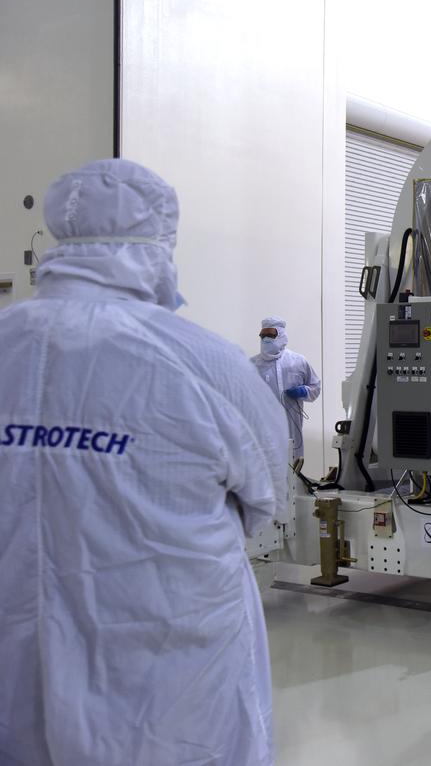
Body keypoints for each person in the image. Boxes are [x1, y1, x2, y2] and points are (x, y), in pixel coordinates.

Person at [0, 159, 290, 764]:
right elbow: (267, 494)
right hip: (170, 667)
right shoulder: (204, 361)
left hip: (17, 658)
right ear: (158, 247)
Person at [251, 316, 320, 463]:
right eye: (263, 335)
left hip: (292, 428)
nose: (265, 339)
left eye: (270, 335)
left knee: (292, 469)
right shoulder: (252, 365)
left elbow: (315, 387)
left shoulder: (298, 362)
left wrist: (304, 391)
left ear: (281, 335)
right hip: (263, 430)